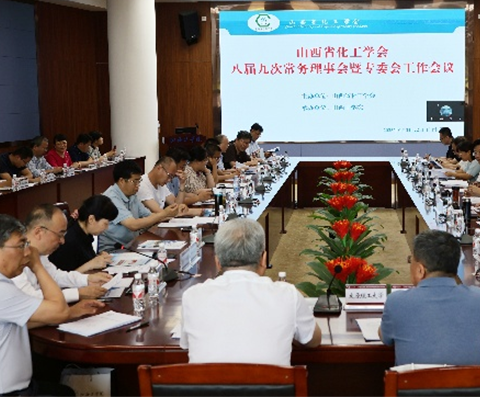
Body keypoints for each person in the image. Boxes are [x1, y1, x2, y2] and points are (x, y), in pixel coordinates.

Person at [0, 214, 100, 397]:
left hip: (8, 387)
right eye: (21, 246)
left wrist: (72, 313)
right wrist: (37, 266)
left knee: (62, 390)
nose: (27, 252)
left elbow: (17, 322)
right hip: (4, 393)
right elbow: (58, 311)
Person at [180, 218, 321, 365]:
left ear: (217, 262)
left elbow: (186, 345)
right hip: (270, 380)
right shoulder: (288, 295)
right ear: (263, 260)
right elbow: (313, 341)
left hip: (205, 381)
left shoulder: (192, 296)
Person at [380, 230, 480, 366]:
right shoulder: (479, 298)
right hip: (468, 380)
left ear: (420, 270)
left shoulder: (396, 302)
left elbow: (385, 338)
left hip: (415, 380)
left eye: (410, 260)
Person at [12, 204, 112, 302]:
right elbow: (29, 298)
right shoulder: (13, 256)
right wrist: (77, 293)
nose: (62, 241)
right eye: (59, 235)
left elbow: (55, 276)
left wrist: (87, 279)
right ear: (39, 232)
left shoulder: (39, 253)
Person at [99, 160, 182, 252]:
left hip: (131, 244)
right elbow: (132, 225)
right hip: (112, 250)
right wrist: (164, 214)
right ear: (122, 181)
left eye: (139, 181)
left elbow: (151, 216)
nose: (138, 185)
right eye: (135, 181)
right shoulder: (111, 198)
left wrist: (173, 213)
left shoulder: (132, 196)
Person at [49, 195, 117, 272]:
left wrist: (99, 258)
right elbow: (64, 277)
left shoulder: (85, 234)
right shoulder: (69, 240)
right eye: (105, 224)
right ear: (91, 219)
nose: (107, 228)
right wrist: (91, 264)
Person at [138, 156, 203, 215]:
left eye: (172, 177)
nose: (169, 180)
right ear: (159, 168)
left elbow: (176, 204)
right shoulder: (142, 184)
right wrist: (192, 212)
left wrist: (182, 184)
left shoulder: (160, 184)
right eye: (169, 176)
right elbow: (160, 213)